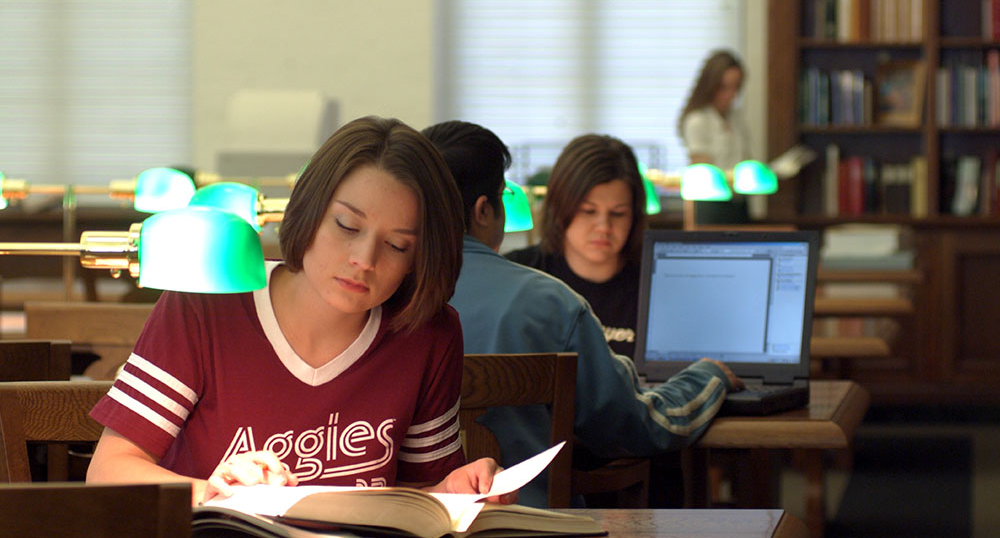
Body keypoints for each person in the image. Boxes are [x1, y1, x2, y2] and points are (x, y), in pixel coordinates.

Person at [87, 116, 514, 505]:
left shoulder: (426, 332)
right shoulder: (208, 302)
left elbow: (422, 494)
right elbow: (109, 470)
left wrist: (454, 490)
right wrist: (214, 492)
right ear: (310, 210)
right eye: (346, 226)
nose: (364, 259)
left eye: (397, 245)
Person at [422, 119, 743, 508]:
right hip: (530, 524)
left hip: (405, 522)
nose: (602, 226)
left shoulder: (379, 297)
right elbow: (630, 427)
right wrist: (708, 378)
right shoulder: (552, 303)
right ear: (485, 210)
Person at [504, 134, 644, 361]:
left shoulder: (654, 281)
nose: (604, 227)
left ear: (634, 216)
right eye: (588, 211)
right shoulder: (517, 275)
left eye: (618, 213)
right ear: (560, 208)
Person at [677, 49, 751, 225]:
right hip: (712, 206)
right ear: (711, 85)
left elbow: (745, 158)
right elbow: (705, 171)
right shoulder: (698, 120)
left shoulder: (737, 118)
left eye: (736, 87)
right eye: (725, 87)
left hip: (739, 203)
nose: (731, 94)